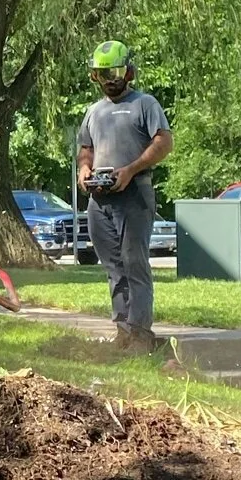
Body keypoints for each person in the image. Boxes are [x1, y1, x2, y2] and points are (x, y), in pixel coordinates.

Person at [76, 41, 172, 352]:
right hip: (100, 199)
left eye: (116, 71)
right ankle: (122, 330)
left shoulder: (145, 104)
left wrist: (131, 169)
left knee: (135, 263)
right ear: (95, 76)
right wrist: (84, 170)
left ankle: (141, 333)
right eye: (104, 73)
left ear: (129, 71)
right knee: (113, 267)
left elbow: (164, 142)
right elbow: (85, 149)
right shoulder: (94, 111)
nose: (111, 79)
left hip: (135, 194)